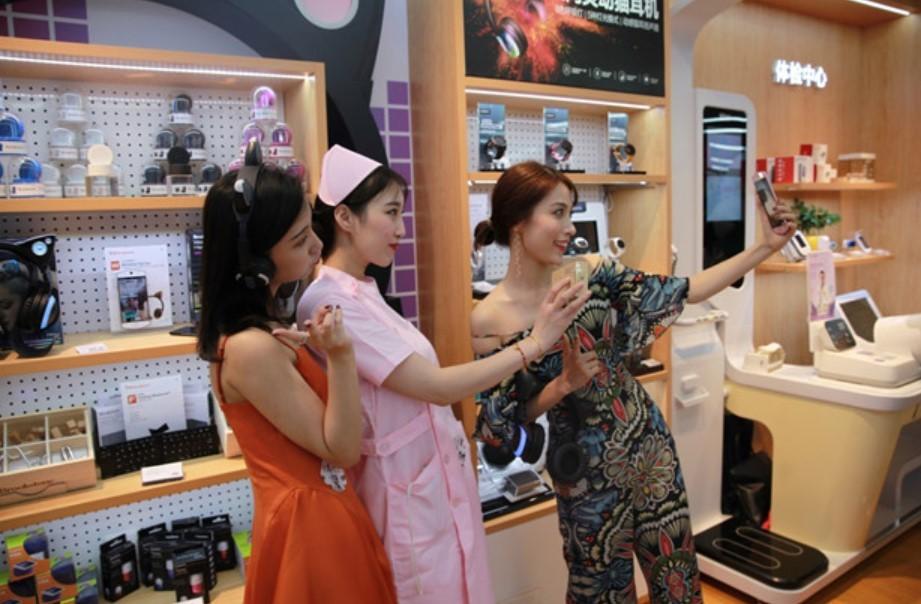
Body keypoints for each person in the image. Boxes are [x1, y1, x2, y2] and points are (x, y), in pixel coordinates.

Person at [471, 161, 796, 603]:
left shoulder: (593, 272)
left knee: (676, 580)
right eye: (558, 213)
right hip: (582, 472)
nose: (570, 227)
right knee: (599, 591)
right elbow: (504, 423)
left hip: (648, 446)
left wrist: (764, 247)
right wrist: (563, 384)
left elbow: (688, 289)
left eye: (571, 213)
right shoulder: (489, 318)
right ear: (518, 222)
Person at [296, 145, 590, 603]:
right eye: (391, 213)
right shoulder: (329, 303)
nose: (401, 228)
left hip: (434, 480)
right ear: (345, 217)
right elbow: (433, 387)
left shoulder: (364, 291)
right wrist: (535, 343)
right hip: (403, 493)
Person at [197, 156, 397, 603]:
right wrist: (341, 355)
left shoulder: (263, 332)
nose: (317, 246)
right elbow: (340, 448)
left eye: (311, 231)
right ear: (255, 261)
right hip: (311, 531)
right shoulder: (251, 347)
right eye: (300, 240)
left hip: (320, 515)